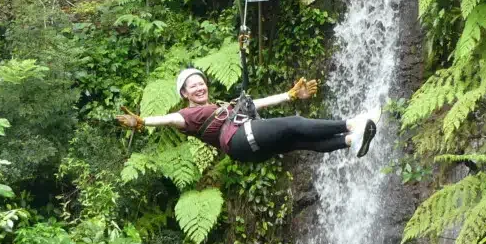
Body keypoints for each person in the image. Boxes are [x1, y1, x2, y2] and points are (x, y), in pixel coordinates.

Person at [116, 68, 379, 163]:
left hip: (247, 150)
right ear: (185, 93)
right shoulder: (189, 115)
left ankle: (350, 141)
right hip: (239, 138)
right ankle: (352, 123)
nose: (199, 87)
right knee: (296, 124)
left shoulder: (223, 107)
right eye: (192, 86)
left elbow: (258, 104)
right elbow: (170, 119)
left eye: (201, 83)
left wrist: (289, 95)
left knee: (299, 141)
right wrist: (142, 121)